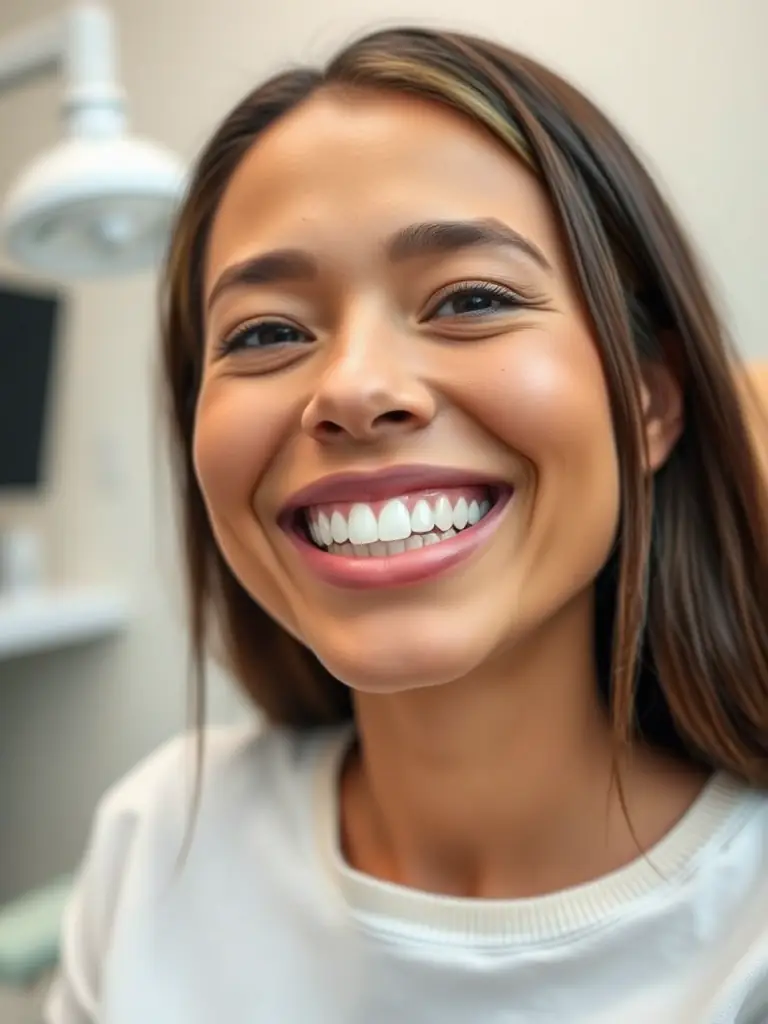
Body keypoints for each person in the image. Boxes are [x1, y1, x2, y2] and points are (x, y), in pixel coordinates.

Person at [45, 27, 768, 1024]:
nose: (353, 389)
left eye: (471, 298)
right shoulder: (159, 832)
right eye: (265, 332)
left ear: (648, 400)